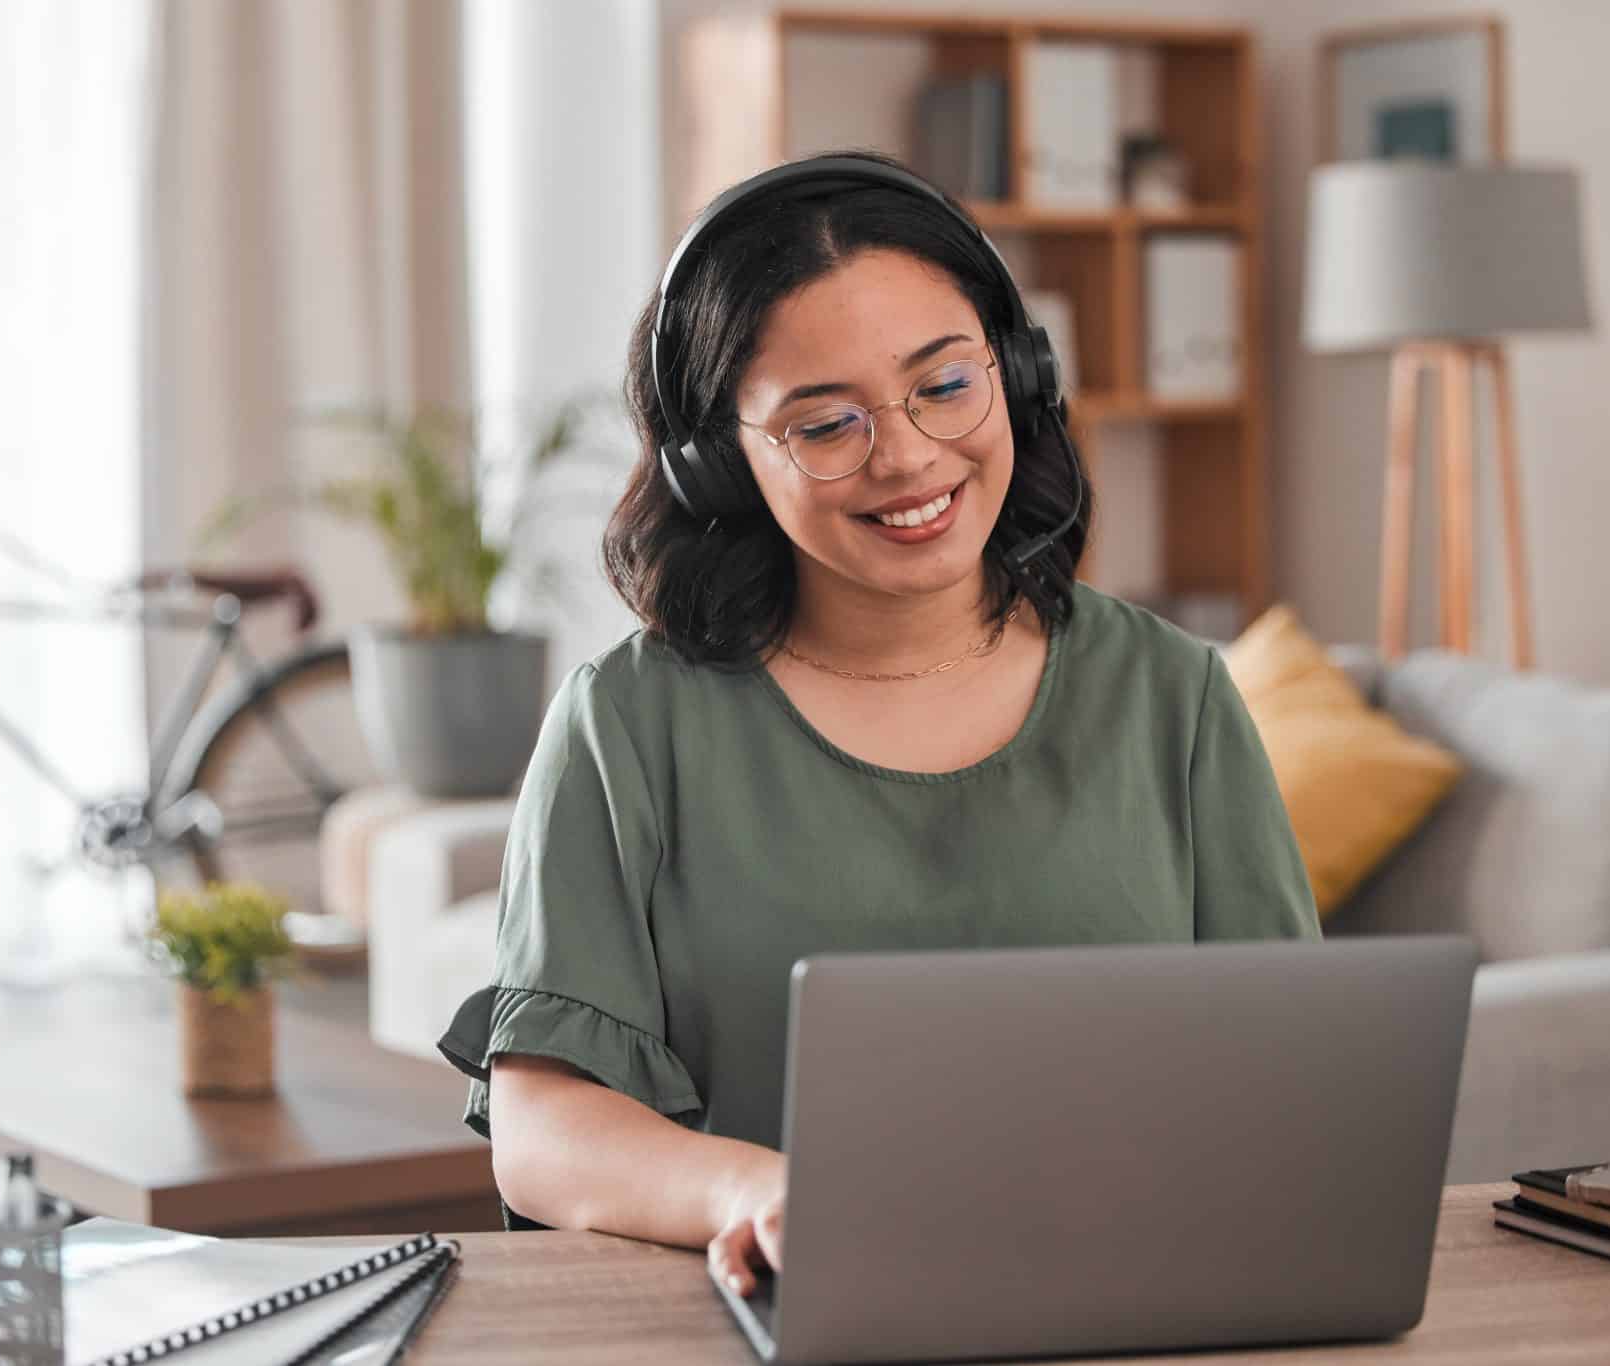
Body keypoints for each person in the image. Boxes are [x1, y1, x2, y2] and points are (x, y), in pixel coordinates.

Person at [437, 151, 1318, 1299]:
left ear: (1018, 376)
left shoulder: (1172, 695)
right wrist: (750, 1191)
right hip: (765, 1316)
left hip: (1123, 1313)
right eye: (824, 423)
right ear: (721, 465)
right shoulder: (625, 725)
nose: (905, 454)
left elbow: (1293, 1083)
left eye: (944, 385)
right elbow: (542, 1126)